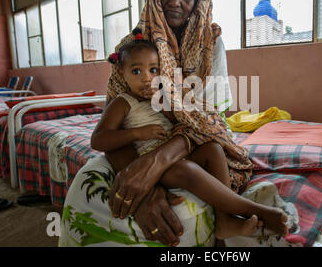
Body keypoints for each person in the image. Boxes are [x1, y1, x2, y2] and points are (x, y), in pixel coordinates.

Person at [59, 0, 286, 247]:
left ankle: (226, 218)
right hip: (139, 151)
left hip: (191, 146)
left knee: (214, 149)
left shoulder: (210, 44)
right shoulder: (132, 47)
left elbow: (210, 122)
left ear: (197, 0)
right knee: (87, 182)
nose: (175, 1)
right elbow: (111, 127)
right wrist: (143, 188)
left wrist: (157, 162)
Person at [90, 29, 288, 240]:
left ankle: (224, 219)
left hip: (174, 155)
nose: (147, 78)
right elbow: (99, 139)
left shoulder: (160, 98)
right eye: (136, 71)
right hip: (152, 164)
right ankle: (250, 209)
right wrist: (136, 133)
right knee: (187, 170)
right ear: (121, 72)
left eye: (153, 70)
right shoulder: (122, 103)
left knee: (213, 148)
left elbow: (184, 120)